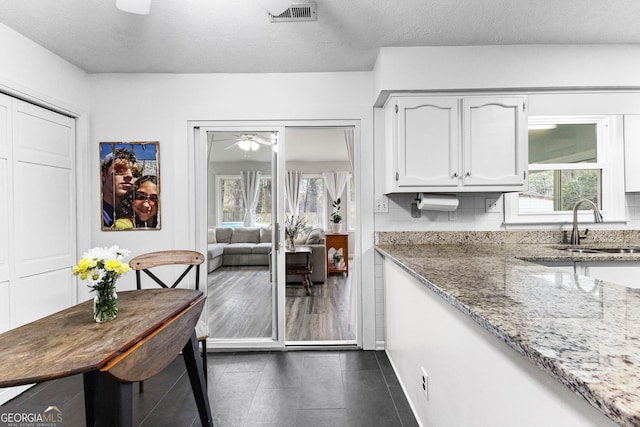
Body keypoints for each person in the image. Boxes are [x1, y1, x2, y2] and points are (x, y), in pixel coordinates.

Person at [101, 147, 141, 228]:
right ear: (103, 175)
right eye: (120, 169)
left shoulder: (141, 212)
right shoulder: (89, 213)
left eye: (135, 172)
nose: (130, 175)